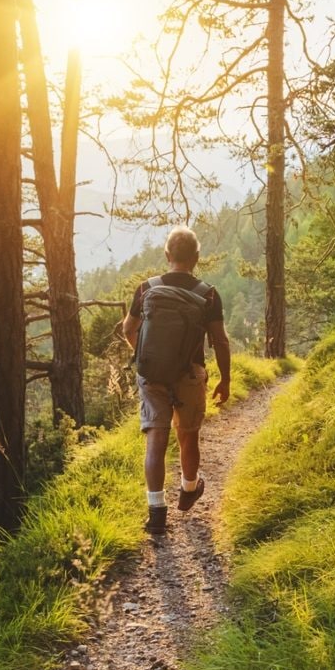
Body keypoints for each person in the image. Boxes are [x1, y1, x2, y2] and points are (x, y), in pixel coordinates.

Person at [121, 225, 232, 535]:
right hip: (190, 374)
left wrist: (147, 357)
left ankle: (156, 512)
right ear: (196, 257)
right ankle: (188, 488)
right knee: (188, 433)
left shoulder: (146, 288)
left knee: (156, 439)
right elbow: (220, 341)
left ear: (167, 255)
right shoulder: (208, 294)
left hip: (152, 374)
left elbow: (129, 329)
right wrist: (225, 379)